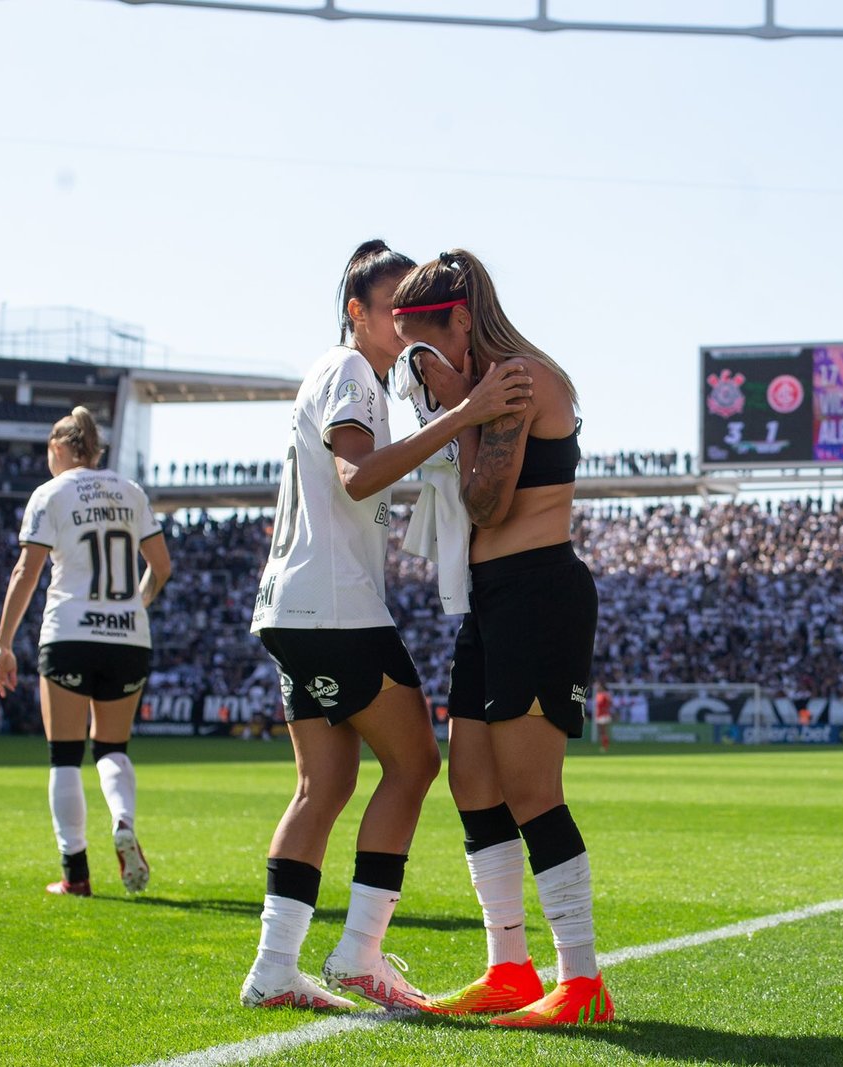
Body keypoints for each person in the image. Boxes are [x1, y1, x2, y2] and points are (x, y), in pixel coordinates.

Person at [239, 240, 532, 1013]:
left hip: (294, 608)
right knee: (414, 764)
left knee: (325, 782)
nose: (406, 320)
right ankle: (359, 953)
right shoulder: (350, 373)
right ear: (358, 313)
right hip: (334, 608)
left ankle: (276, 968)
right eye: (392, 303)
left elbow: (361, 482)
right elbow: (359, 474)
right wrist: (467, 414)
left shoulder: (348, 377)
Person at [392, 248, 613, 1027]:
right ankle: (510, 965)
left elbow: (486, 502)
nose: (418, 361)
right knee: (473, 787)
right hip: (491, 598)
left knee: (529, 790)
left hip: (539, 590)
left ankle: (582, 981)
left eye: (423, 340)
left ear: (459, 319)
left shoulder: (516, 378)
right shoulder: (482, 383)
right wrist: (457, 406)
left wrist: (463, 402)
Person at [0, 405, 173, 897]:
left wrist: (4, 643)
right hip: (128, 637)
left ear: (59, 447)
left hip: (70, 632)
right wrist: (137, 604)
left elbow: (24, 574)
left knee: (65, 756)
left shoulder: (49, 494)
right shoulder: (130, 491)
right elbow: (161, 565)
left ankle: (76, 875)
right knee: (111, 748)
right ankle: (123, 819)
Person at [593, 686, 613, 754]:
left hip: (604, 715)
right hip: (599, 715)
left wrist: (605, 708)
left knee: (604, 731)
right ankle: (604, 745)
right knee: (601, 732)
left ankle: (605, 746)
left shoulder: (604, 695)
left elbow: (610, 703)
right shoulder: (597, 695)